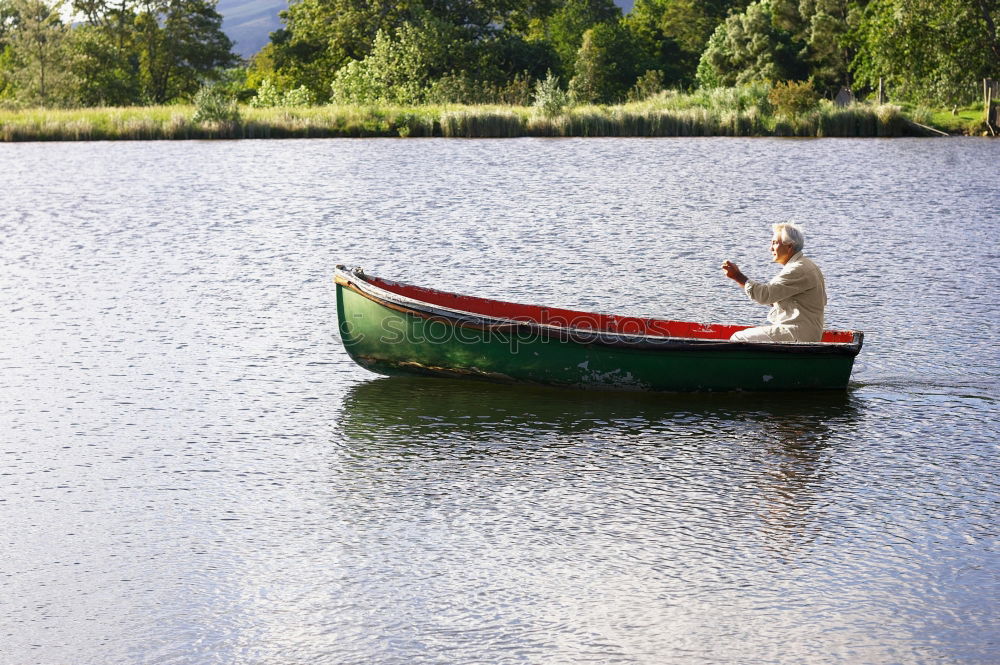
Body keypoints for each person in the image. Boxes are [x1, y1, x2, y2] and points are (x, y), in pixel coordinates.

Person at [721, 223, 827, 342]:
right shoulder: (805, 265)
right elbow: (772, 297)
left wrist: (738, 276)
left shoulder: (797, 269)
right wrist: (739, 279)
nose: (770, 248)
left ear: (789, 247)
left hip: (796, 333)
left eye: (775, 243)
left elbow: (765, 295)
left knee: (738, 338)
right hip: (804, 332)